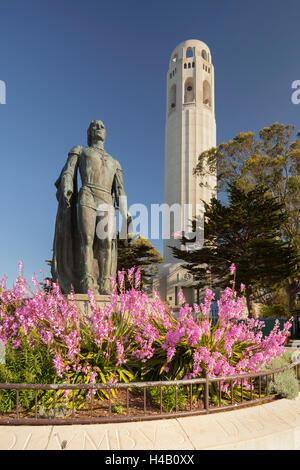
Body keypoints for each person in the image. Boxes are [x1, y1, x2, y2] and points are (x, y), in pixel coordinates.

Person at [52, 120, 128, 294]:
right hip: (88, 195)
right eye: (95, 126)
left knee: (106, 242)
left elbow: (120, 190)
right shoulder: (80, 150)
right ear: (89, 133)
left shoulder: (115, 162)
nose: (99, 128)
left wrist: (125, 211)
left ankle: (106, 282)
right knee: (86, 239)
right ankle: (87, 279)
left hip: (107, 200)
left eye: (102, 126)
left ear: (105, 133)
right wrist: (67, 185)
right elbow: (68, 171)